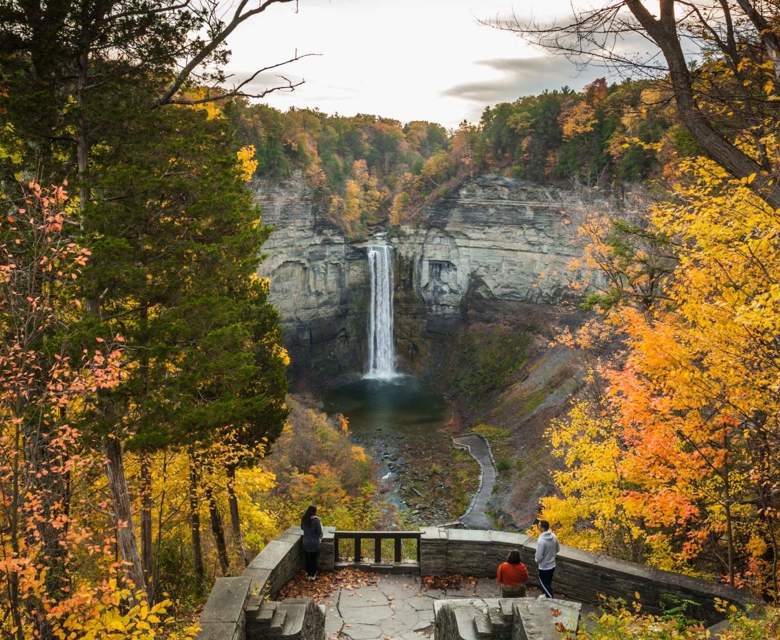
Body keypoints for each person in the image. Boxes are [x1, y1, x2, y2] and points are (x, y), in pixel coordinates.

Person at [534, 520, 559, 598]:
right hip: (552, 565)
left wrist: (536, 560)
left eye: (539, 526)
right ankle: (546, 596)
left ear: (542, 528)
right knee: (548, 583)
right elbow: (558, 549)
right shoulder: (554, 536)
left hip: (544, 567)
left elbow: (539, 556)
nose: (538, 527)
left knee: (544, 585)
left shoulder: (541, 541)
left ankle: (550, 600)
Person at [301, 505, 323, 580]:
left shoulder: (304, 519)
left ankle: (308, 574)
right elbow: (319, 532)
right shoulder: (316, 521)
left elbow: (302, 528)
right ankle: (313, 575)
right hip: (314, 543)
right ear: (314, 512)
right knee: (314, 559)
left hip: (305, 542)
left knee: (307, 559)